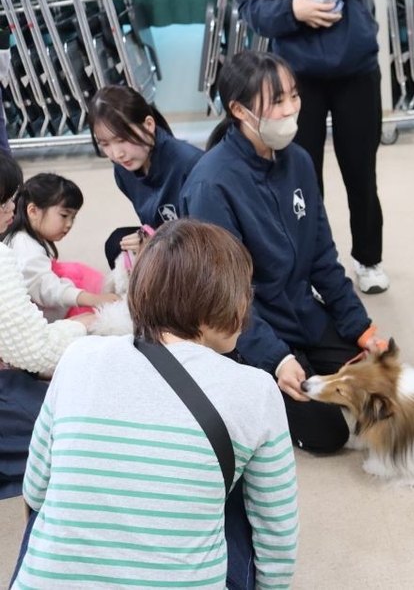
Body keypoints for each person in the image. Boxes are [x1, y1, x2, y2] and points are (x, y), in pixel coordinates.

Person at [10, 219, 299, 589]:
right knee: (240, 490)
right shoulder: (255, 390)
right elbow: (277, 530)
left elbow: (35, 490)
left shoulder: (79, 356)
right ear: (221, 300)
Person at [182, 50, 387, 455]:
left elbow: (322, 257)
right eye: (277, 101)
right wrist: (275, 359)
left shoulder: (298, 161)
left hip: (300, 312)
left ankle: (309, 360)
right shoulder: (212, 185)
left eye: (294, 95)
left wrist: (357, 324)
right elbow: (225, 300)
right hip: (247, 328)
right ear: (239, 110)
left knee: (379, 385)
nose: (292, 108)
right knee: (329, 434)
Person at [237, 0, 389, 294]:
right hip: (295, 74)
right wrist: (292, 10)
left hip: (356, 66)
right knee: (299, 180)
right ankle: (310, 267)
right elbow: (250, 6)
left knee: (361, 171)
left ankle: (368, 257)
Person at [0, 153, 94, 500]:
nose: (12, 207)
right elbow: (35, 351)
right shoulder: (9, 254)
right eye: (6, 200)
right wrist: (83, 325)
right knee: (72, 426)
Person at [88, 84, 203, 268]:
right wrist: (148, 238)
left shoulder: (190, 164)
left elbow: (210, 240)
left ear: (149, 125)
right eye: (105, 144)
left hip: (199, 253)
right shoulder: (123, 169)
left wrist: (154, 243)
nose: (117, 154)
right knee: (116, 244)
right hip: (163, 241)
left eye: (122, 139)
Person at [4, 173, 120, 320]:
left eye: (73, 217)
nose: (70, 224)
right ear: (33, 211)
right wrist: (92, 298)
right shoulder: (25, 245)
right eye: (64, 215)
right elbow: (45, 288)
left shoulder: (24, 239)